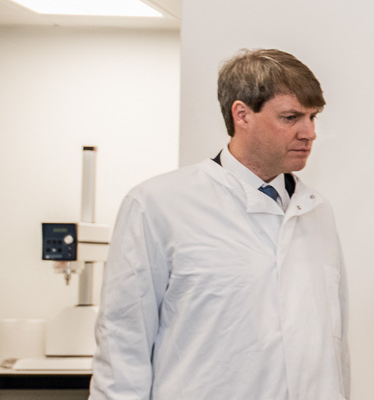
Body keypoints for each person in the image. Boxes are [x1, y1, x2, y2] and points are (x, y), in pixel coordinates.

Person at [90, 49, 348, 399]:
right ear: (242, 114)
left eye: (313, 117)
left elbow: (331, 346)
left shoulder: (316, 211)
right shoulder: (158, 204)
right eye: (291, 117)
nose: (309, 133)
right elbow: (123, 340)